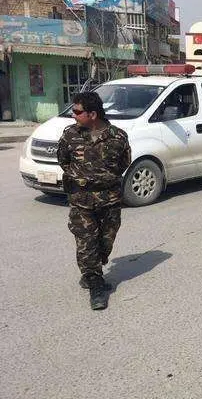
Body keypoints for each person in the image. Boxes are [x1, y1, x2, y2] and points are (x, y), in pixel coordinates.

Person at [57, 91, 131, 310]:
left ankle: (93, 268)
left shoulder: (117, 136)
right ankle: (95, 282)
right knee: (86, 241)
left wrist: (104, 179)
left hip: (109, 198)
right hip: (81, 200)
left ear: (92, 114)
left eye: (78, 111)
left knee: (106, 241)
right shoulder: (70, 135)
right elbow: (63, 160)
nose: (73, 115)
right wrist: (82, 178)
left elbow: (123, 163)